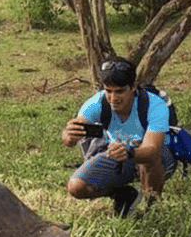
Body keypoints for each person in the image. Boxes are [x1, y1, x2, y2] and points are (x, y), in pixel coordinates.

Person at [61, 58, 176, 217]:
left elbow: (152, 150)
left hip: (156, 158)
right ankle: (123, 194)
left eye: (120, 91)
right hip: (117, 154)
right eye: (109, 91)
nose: (113, 98)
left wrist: (129, 152)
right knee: (76, 187)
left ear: (133, 87)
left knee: (149, 160)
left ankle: (151, 208)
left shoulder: (155, 105)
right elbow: (70, 136)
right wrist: (69, 135)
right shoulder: (96, 103)